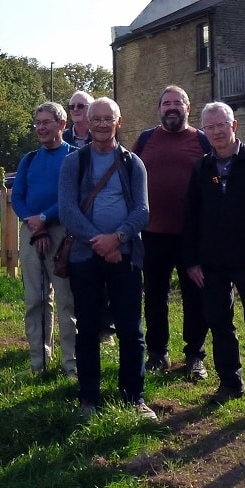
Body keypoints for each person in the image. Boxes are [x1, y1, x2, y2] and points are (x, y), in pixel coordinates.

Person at [182, 102, 245, 419]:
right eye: (209, 127)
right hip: (211, 264)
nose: (216, 131)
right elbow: (190, 218)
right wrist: (191, 261)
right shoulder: (202, 168)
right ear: (204, 130)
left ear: (234, 125)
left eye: (221, 124)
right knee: (220, 324)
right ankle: (230, 383)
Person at [59, 98, 156, 420]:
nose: (101, 124)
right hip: (85, 259)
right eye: (96, 119)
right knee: (87, 329)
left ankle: (135, 398)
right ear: (87, 121)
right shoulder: (75, 162)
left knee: (131, 330)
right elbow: (68, 210)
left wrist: (117, 239)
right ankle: (89, 398)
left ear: (119, 122)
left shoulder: (132, 163)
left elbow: (142, 210)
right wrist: (98, 241)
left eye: (107, 119)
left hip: (125, 256)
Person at [132, 85, 211, 378]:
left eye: (178, 102)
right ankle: (158, 353)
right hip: (152, 233)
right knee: (154, 295)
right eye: (167, 103)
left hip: (193, 236)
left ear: (188, 108)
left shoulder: (202, 141)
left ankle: (195, 356)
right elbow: (129, 176)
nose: (172, 107)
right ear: (159, 109)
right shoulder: (146, 139)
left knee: (195, 296)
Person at [12, 101, 78, 377]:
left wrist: (45, 218)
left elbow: (73, 196)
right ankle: (38, 362)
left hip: (63, 234)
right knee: (35, 299)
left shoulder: (74, 157)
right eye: (37, 122)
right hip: (31, 233)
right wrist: (35, 223)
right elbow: (17, 196)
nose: (40, 127)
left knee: (66, 300)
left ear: (62, 124)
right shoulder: (29, 159)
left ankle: (71, 364)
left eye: (46, 122)